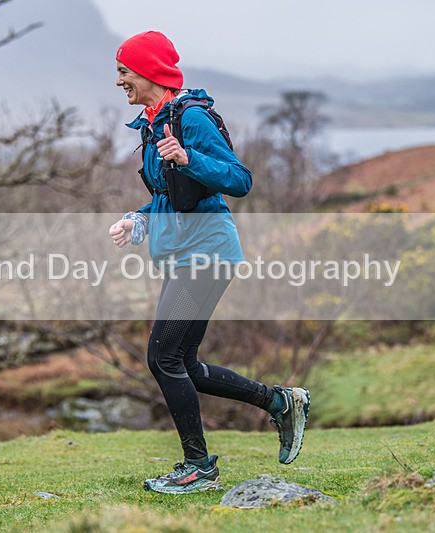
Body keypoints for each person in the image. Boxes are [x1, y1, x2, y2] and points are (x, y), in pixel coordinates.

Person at [108, 30, 310, 495]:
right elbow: (168, 196)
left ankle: (198, 466)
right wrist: (136, 221)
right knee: (185, 363)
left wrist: (188, 154)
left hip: (208, 254)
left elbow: (239, 180)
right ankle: (280, 402)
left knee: (162, 357)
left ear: (149, 72)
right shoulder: (153, 123)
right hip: (184, 255)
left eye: (123, 72)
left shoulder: (191, 118)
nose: (119, 81)